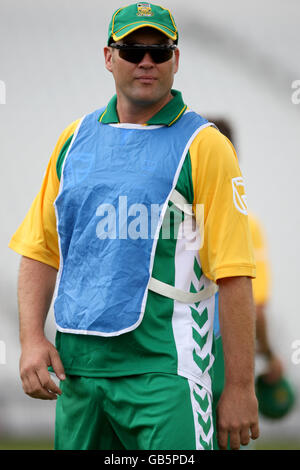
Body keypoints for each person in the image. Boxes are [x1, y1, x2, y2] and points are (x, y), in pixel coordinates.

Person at [9, 3, 259, 450]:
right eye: (133, 49)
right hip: (79, 375)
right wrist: (31, 339)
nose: (147, 61)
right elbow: (41, 249)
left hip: (166, 373)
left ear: (175, 61)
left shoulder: (205, 145)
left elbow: (235, 272)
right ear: (109, 57)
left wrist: (240, 386)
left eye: (160, 51)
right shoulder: (73, 140)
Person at [209, 117, 284, 450]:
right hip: (225, 361)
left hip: (169, 361)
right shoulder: (245, 224)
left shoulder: (167, 220)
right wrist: (268, 356)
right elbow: (254, 305)